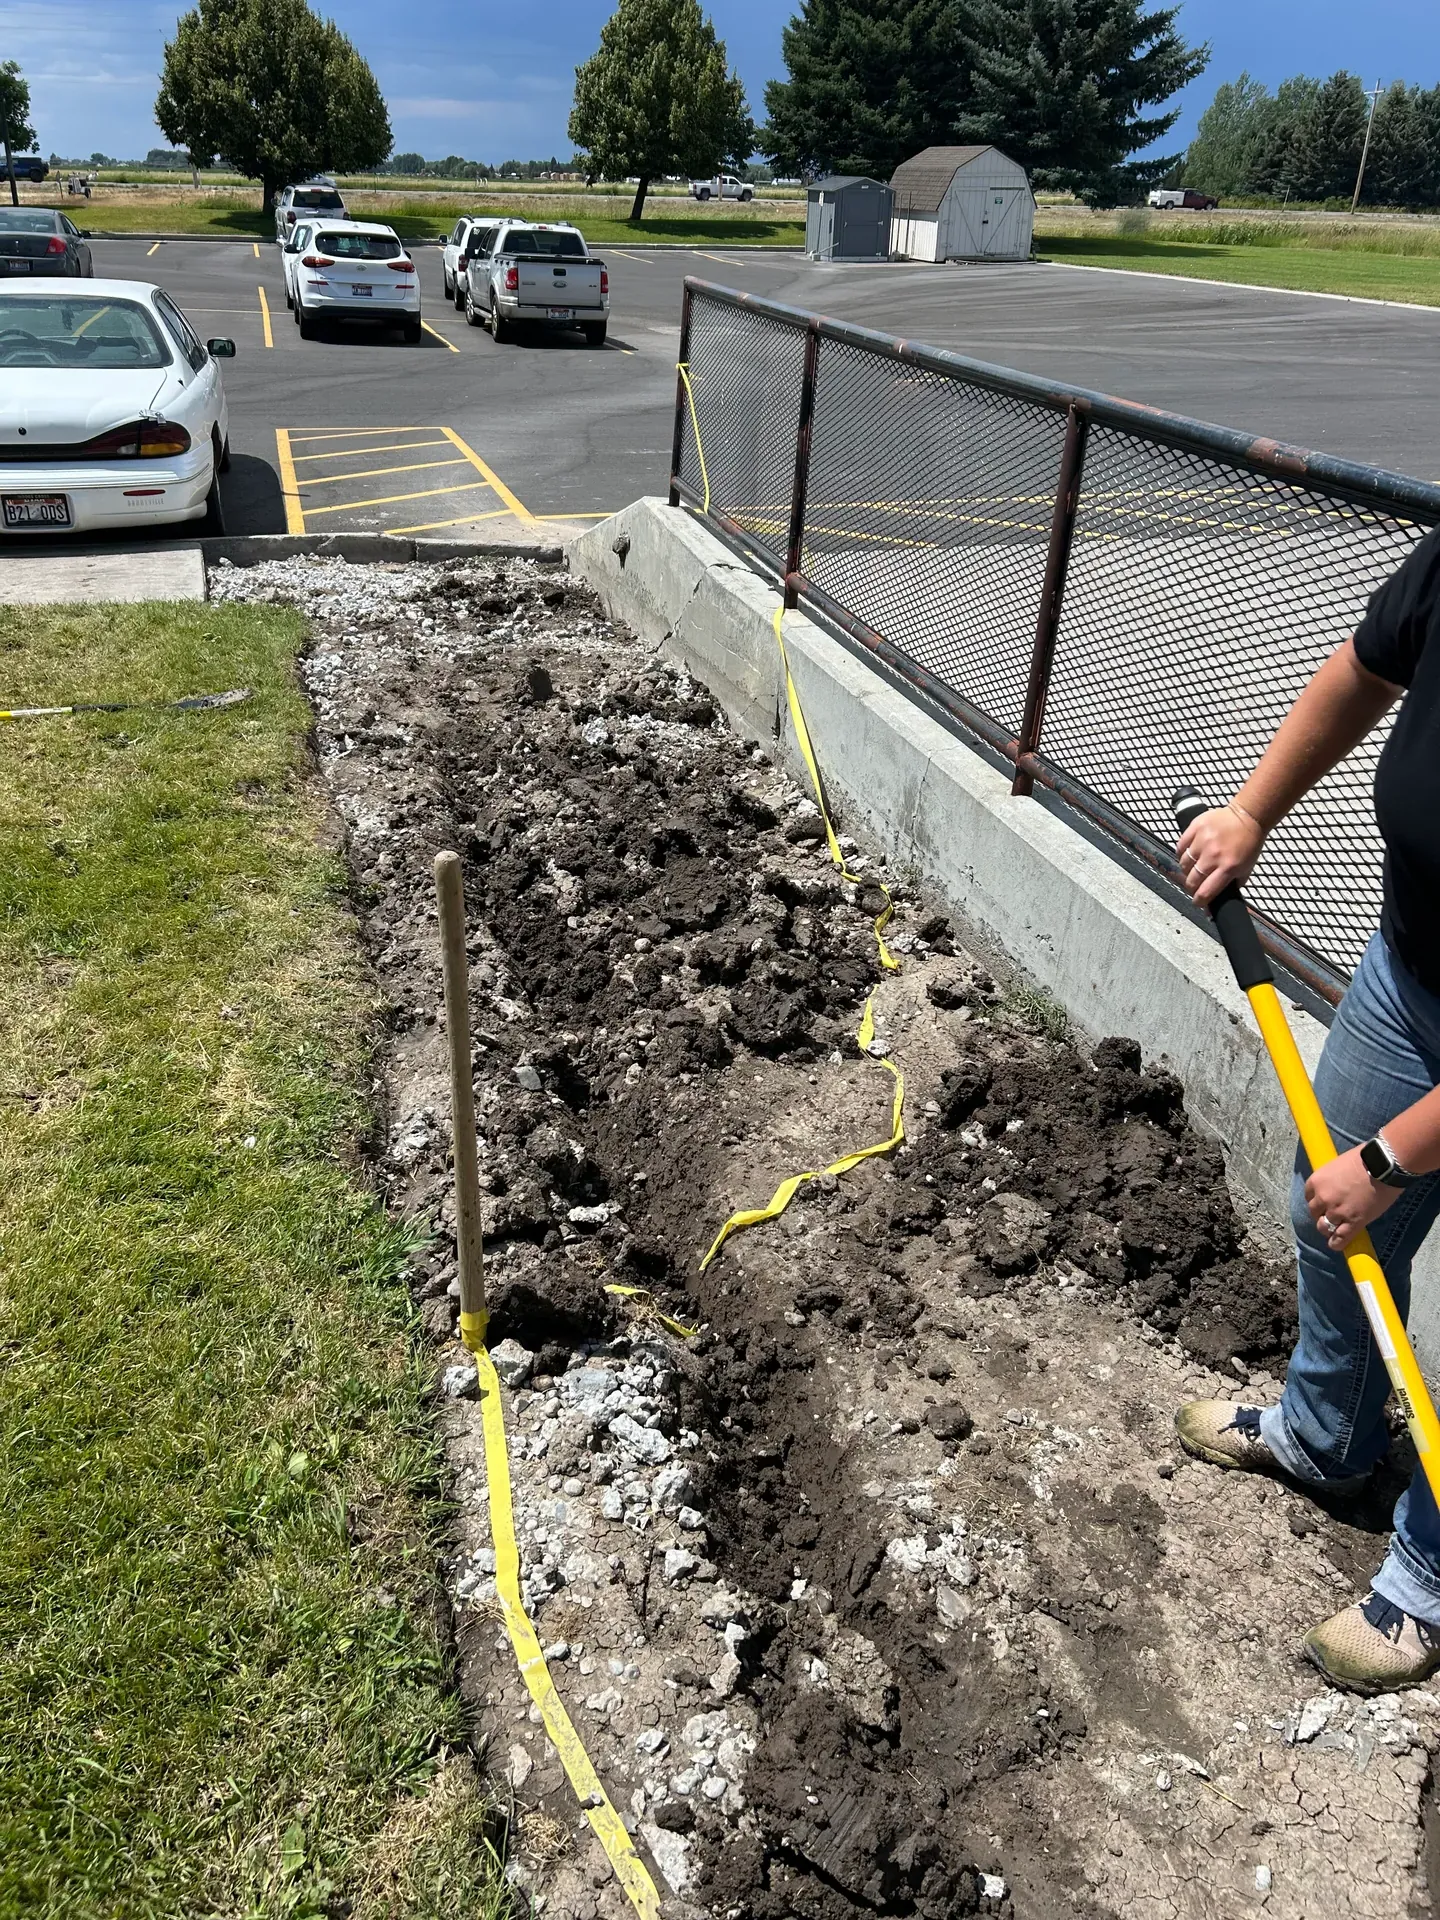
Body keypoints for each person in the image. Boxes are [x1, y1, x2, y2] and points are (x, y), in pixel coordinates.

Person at [1174, 525, 1440, 1694]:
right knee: (1325, 1211)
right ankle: (1325, 1435)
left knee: (1358, 1186)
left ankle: (1431, 1570)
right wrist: (1252, 812)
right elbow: (1365, 666)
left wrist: (1390, 1153)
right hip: (1413, 971)